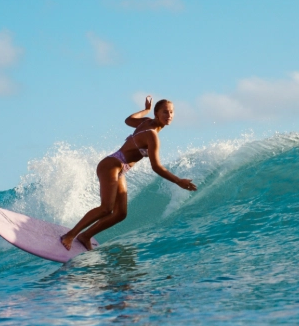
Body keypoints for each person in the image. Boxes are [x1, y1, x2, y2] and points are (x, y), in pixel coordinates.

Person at [60, 96, 197, 251]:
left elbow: (129, 120)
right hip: (111, 165)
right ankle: (70, 235)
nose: (169, 115)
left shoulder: (145, 122)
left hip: (119, 168)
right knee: (106, 208)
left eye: (172, 112)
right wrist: (179, 181)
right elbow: (156, 166)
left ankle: (85, 236)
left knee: (120, 213)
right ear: (156, 113)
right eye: (165, 112)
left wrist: (145, 110)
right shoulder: (152, 134)